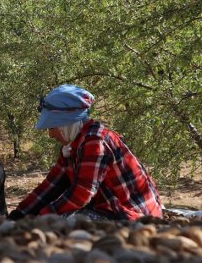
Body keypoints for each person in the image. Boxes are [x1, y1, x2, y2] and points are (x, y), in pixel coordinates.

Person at [8, 84, 163, 221]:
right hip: (111, 209)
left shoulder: (95, 141)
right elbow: (52, 185)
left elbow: (82, 193)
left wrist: (43, 216)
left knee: (66, 223)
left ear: (65, 124)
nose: (51, 134)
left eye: (52, 127)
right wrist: (20, 213)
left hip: (135, 216)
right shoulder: (73, 145)